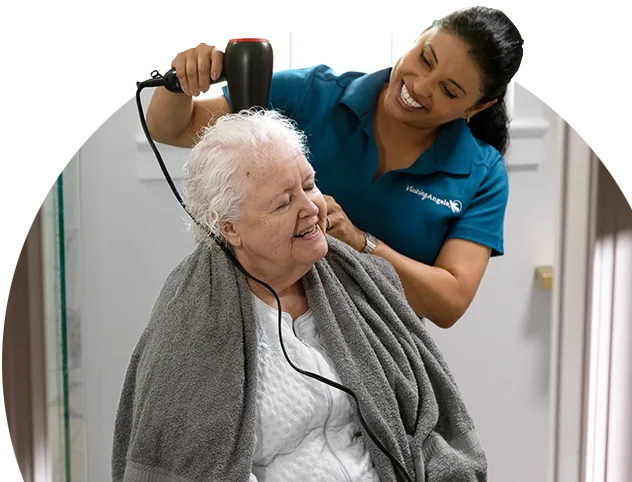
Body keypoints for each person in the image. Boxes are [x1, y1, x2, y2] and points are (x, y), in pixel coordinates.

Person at [112, 110, 487, 482]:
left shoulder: (364, 283)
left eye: (308, 186)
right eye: (282, 202)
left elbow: (422, 426)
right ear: (230, 228)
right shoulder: (189, 324)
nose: (311, 208)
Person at [145, 6, 524, 328]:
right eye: (425, 58)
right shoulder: (312, 93)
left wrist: (360, 243)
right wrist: (182, 79)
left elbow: (449, 303)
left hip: (379, 348)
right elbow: (173, 127)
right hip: (263, 326)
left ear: (477, 108)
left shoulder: (483, 173)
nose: (421, 86)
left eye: (449, 90)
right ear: (420, 36)